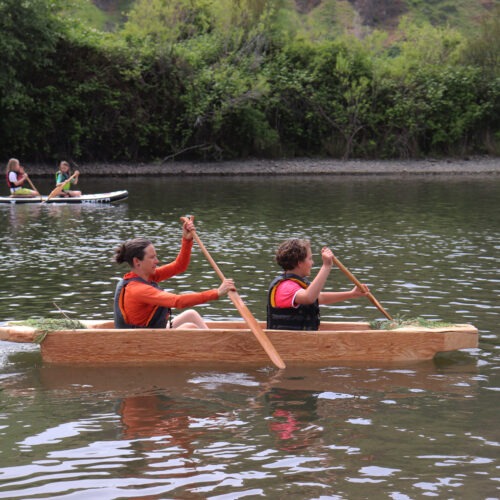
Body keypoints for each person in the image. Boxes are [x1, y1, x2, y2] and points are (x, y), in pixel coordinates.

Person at [113, 219, 235, 329]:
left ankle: (215, 349)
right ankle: (215, 351)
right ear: (137, 261)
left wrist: (186, 240)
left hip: (152, 334)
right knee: (189, 328)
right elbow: (178, 301)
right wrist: (217, 293)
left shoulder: (147, 276)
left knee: (191, 315)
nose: (157, 261)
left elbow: (179, 266)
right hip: (142, 343)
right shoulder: (138, 289)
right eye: (152, 257)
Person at [267, 238, 369, 330]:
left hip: (302, 342)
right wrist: (326, 266)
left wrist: (351, 294)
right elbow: (309, 297)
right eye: (310, 259)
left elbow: (318, 298)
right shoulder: (286, 287)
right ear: (299, 263)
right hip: (288, 344)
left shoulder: (298, 284)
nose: (312, 263)